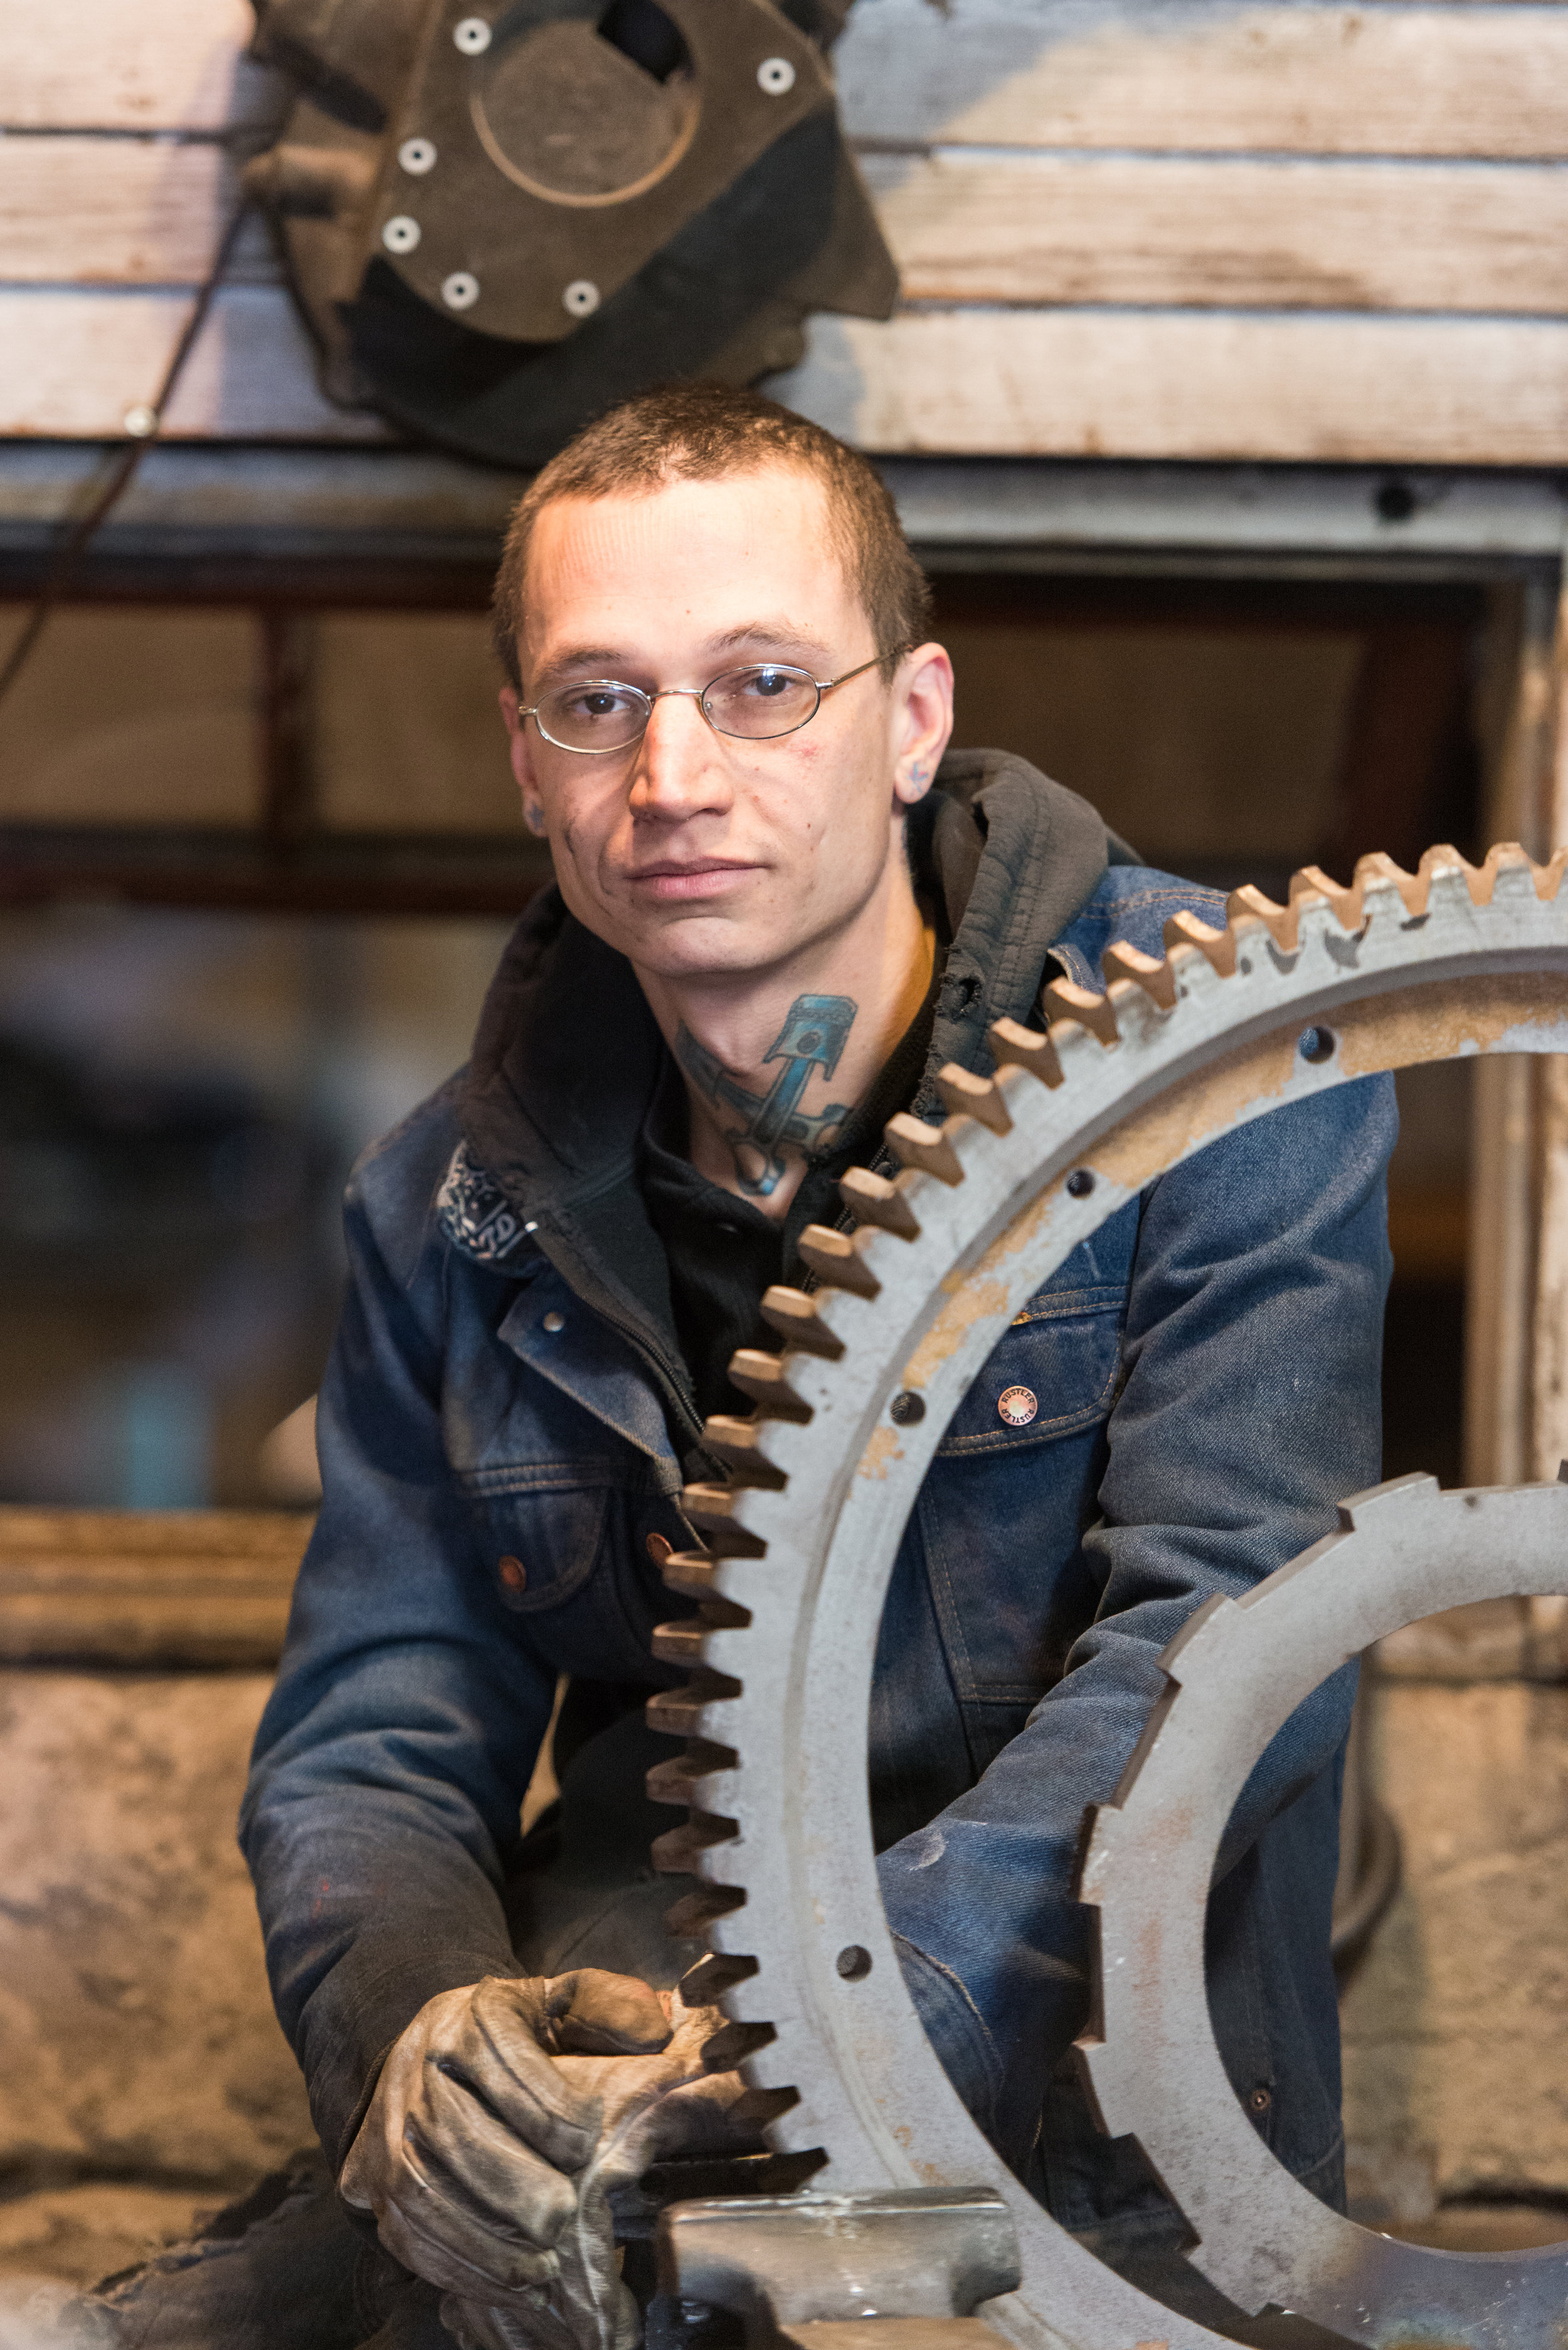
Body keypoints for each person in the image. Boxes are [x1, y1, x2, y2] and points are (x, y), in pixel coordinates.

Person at [84, 386, 1393, 2350]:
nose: (672, 774)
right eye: (595, 701)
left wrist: (829, 2032)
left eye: (760, 682)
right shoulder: (445, 1198)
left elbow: (1227, 1641)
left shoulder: (1218, 1063)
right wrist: (427, 2048)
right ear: (524, 761)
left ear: (915, 715)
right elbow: (375, 1731)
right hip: (625, 2093)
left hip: (1109, 2125)